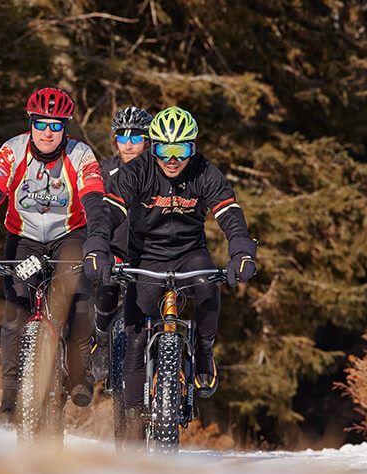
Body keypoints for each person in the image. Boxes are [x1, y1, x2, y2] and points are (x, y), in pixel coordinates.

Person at [81, 106, 257, 440]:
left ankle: (204, 352)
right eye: (164, 150)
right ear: (154, 147)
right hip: (145, 256)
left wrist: (242, 251)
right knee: (134, 340)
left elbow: (230, 213)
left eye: (182, 150)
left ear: (193, 148)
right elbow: (109, 210)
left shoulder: (205, 172)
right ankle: (130, 433)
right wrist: (97, 244)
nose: (172, 160)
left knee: (209, 288)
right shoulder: (138, 171)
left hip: (190, 254)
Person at [0, 86, 107, 427]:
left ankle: (77, 373)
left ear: (65, 129)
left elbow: (95, 204)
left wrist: (99, 244)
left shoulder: (80, 155)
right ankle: (11, 400)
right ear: (30, 123)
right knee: (15, 315)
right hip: (24, 239)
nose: (48, 132)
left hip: (69, 237)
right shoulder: (11, 152)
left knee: (80, 300)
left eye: (56, 126)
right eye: (41, 124)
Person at [89, 106, 154, 378]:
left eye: (136, 137)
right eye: (123, 137)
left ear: (148, 142)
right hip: (114, 249)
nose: (129, 144)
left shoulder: (159, 170)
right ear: (114, 140)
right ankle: (102, 340)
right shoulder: (103, 170)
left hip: (149, 252)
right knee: (106, 290)